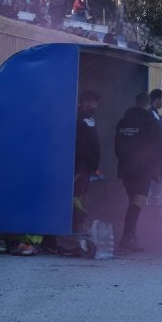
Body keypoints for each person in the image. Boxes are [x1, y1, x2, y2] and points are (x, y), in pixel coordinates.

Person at [114, 92, 162, 252]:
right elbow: (158, 148)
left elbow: (117, 145)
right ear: (149, 104)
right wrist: (160, 170)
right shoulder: (151, 122)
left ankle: (131, 236)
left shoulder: (123, 122)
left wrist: (123, 161)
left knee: (132, 201)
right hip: (143, 168)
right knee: (138, 202)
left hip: (126, 167)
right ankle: (127, 238)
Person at [73, 90, 101, 233]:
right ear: (83, 103)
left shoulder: (90, 120)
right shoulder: (77, 120)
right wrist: (79, 169)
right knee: (76, 199)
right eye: (92, 103)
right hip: (80, 168)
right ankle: (74, 230)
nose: (95, 106)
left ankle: (79, 228)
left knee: (81, 198)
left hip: (87, 168)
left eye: (96, 103)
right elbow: (79, 146)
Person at [148, 88, 162, 209]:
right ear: (156, 99)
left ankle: (154, 210)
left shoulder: (154, 113)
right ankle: (151, 211)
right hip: (152, 157)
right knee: (153, 184)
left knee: (156, 185)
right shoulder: (150, 114)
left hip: (155, 156)